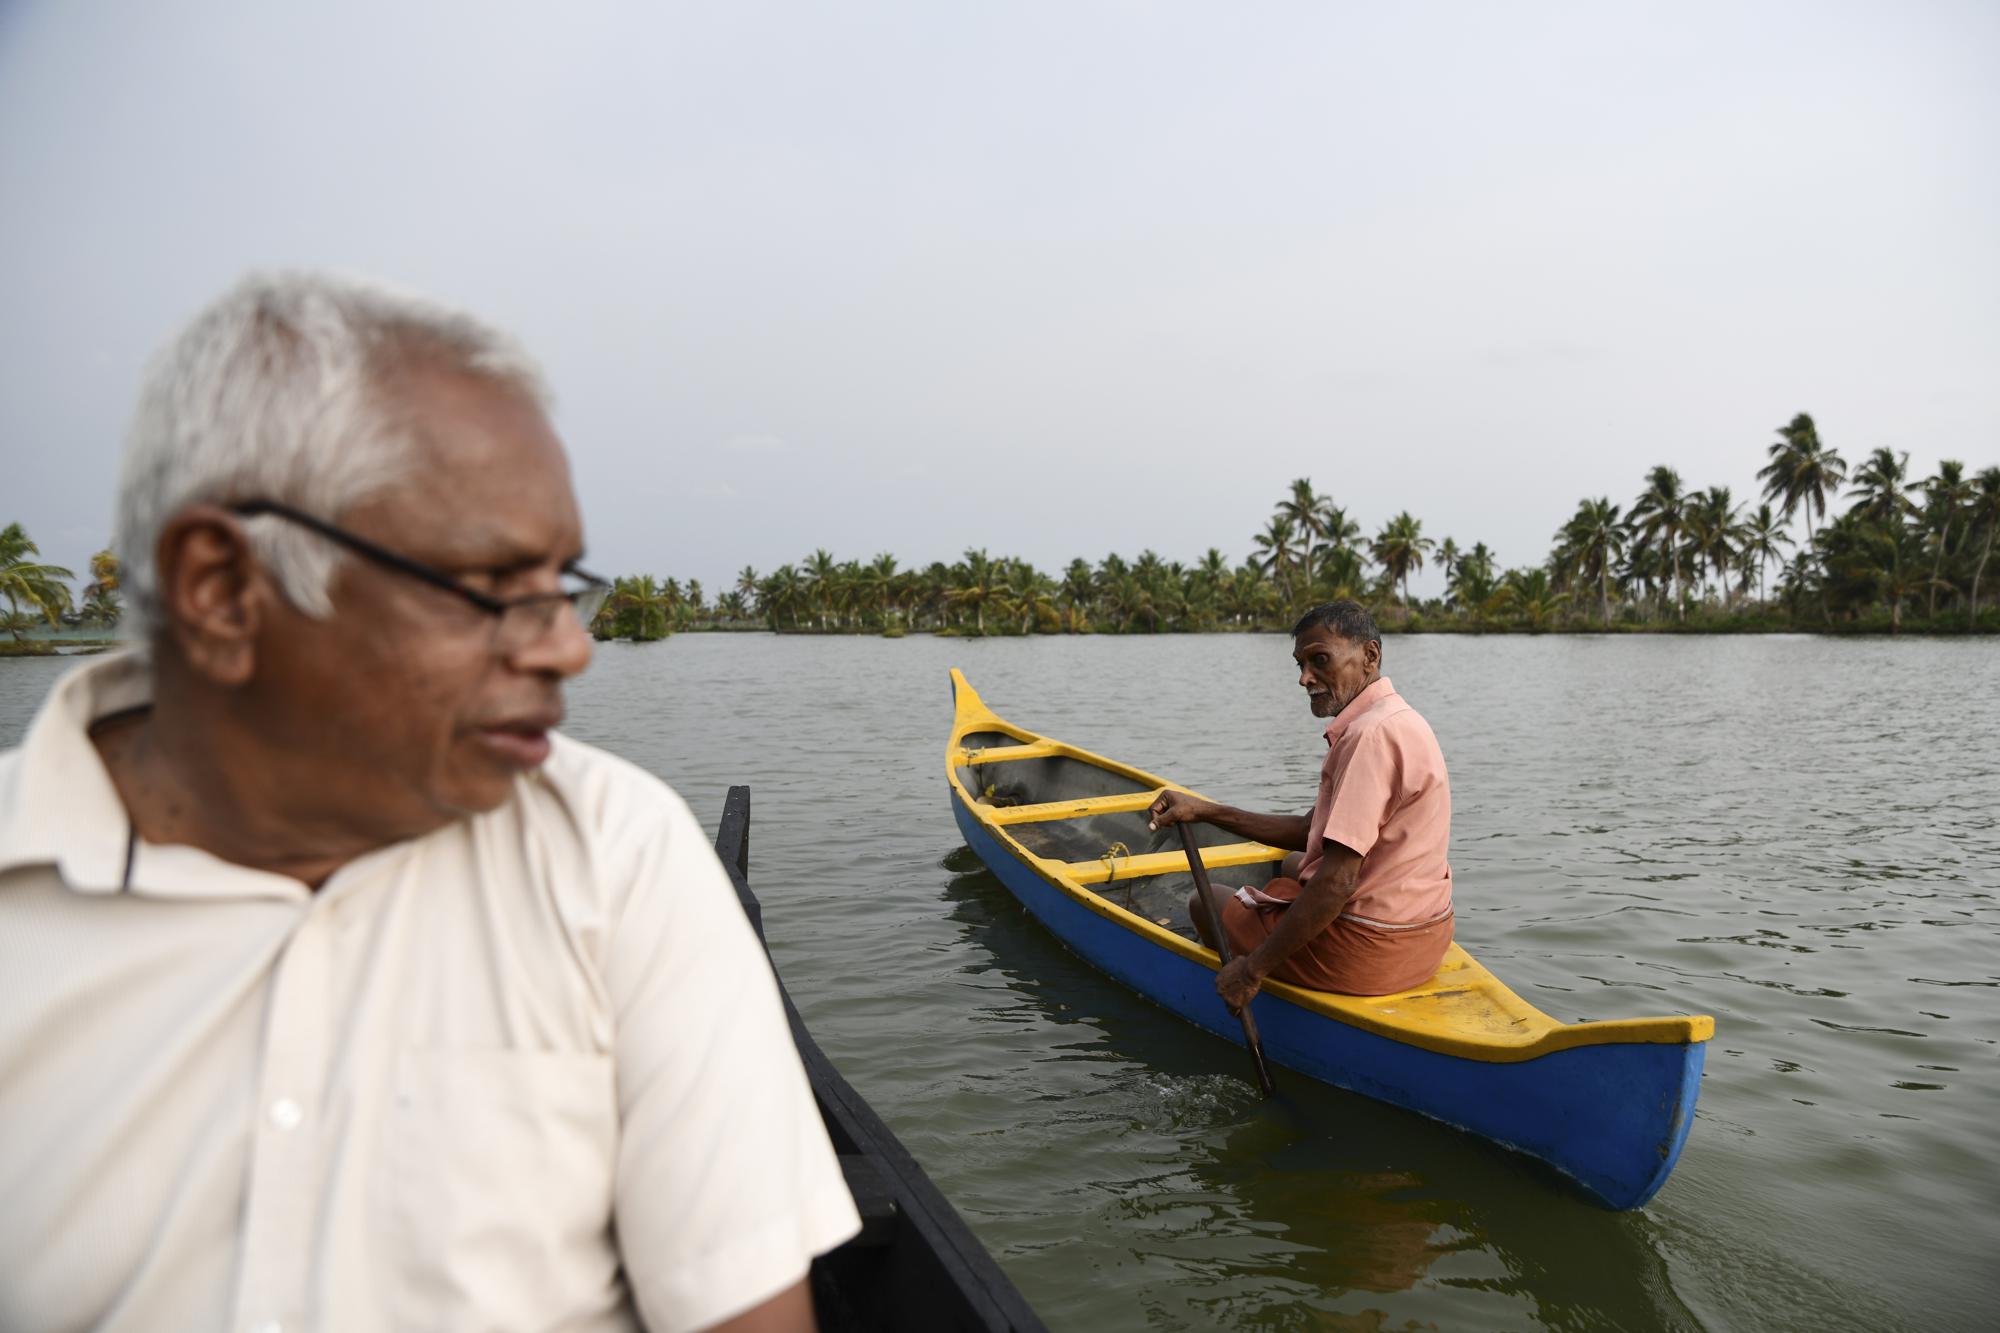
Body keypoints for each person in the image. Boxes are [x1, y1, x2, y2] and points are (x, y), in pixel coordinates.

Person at [0, 273, 858, 1333]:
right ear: (223, 592)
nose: (569, 646)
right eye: (493, 587)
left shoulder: (616, 854)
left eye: (564, 584)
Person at [1147, 600, 1454, 1009]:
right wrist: (1204, 810)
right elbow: (1313, 831)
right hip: (1427, 939)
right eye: (1301, 665)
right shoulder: (1399, 717)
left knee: (1206, 902)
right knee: (1295, 864)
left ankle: (1254, 975)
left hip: (1370, 954)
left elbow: (1338, 882)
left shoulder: (1369, 737)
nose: (1305, 678)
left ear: (1370, 655)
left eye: (1320, 660)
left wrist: (1252, 970)